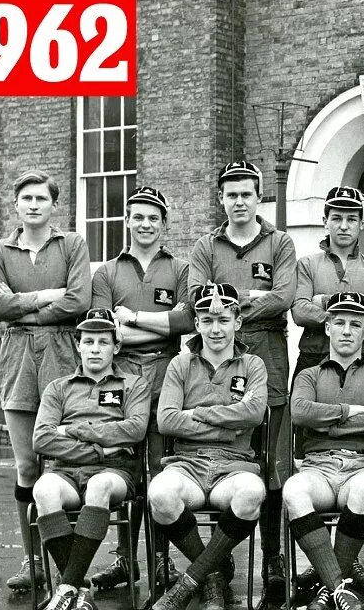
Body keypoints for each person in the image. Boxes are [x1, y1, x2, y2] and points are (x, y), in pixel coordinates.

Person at [188, 161, 297, 599]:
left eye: (246, 193)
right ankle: (220, 553)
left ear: (258, 196)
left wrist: (229, 308)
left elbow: (285, 297)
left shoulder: (279, 242)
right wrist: (243, 305)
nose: (238, 201)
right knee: (220, 450)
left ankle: (273, 555)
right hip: (216, 359)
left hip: (267, 356)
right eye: (230, 194)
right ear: (221, 199)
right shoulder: (205, 246)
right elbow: (196, 298)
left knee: (270, 464)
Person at [0, 170, 92, 592]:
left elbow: (79, 299)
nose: (33, 205)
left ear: (53, 205)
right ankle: (31, 561)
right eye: (25, 198)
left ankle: (67, 566)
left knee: (62, 465)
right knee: (27, 463)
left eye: (40, 198)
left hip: (63, 354)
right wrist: (47, 296)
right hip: (17, 359)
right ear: (15, 205)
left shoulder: (73, 245)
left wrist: (23, 308)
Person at [89, 186, 193, 590]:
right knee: (123, 466)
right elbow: (102, 331)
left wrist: (132, 319)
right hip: (122, 379)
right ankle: (124, 561)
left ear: (164, 224)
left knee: (161, 468)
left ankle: (162, 560)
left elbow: (185, 323)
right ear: (127, 221)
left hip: (168, 373)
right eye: (139, 216)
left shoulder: (180, 268)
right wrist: (153, 324)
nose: (146, 224)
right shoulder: (107, 273)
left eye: (154, 217)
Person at [148, 283, 268, 610]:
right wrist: (229, 423)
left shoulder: (252, 365)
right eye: (207, 320)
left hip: (234, 464)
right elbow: (168, 421)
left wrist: (198, 413)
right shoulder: (180, 365)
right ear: (197, 324)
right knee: (160, 495)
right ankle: (213, 573)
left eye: (224, 320)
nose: (216, 329)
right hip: (187, 464)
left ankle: (189, 582)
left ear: (237, 322)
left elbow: (254, 413)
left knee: (251, 495)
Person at [284, 292, 364, 610]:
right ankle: (338, 588)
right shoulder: (309, 374)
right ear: (327, 328)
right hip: (317, 467)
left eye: (355, 323)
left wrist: (329, 421)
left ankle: (326, 590)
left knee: (363, 491)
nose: (346, 330)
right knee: (293, 491)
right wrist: (356, 412)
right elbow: (301, 413)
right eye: (339, 322)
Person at [31, 309, 151, 610]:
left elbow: (134, 429)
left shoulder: (134, 385)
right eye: (89, 341)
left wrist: (72, 431)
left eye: (103, 341)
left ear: (116, 347)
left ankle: (66, 587)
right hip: (66, 472)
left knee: (98, 484)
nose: (95, 348)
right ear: (78, 345)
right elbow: (42, 439)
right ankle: (79, 589)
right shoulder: (58, 388)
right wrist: (100, 448)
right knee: (44, 489)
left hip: (114, 472)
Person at [291, 185, 364, 377]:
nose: (344, 226)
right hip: (313, 359)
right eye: (336, 218)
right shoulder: (306, 264)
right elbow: (300, 311)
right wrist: (358, 311)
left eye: (351, 219)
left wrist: (323, 302)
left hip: (361, 359)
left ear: (361, 223)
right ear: (325, 222)